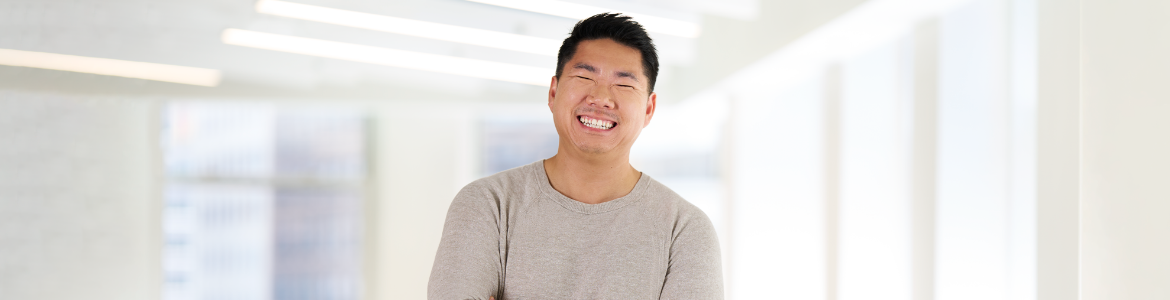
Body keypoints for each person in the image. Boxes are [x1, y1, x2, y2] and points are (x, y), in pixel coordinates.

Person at [427, 13, 723, 299]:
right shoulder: (487, 204)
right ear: (553, 92)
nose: (600, 98)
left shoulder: (684, 230)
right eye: (584, 76)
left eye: (623, 84)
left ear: (648, 109)